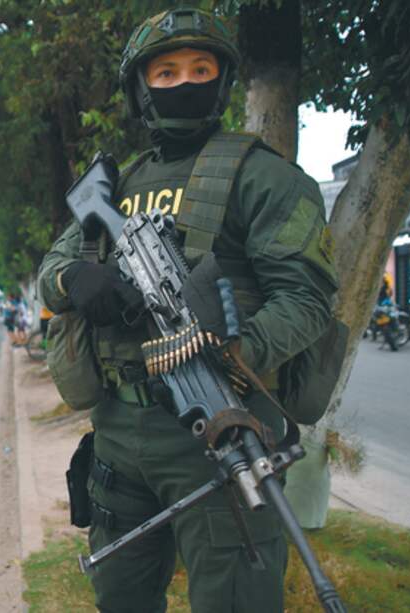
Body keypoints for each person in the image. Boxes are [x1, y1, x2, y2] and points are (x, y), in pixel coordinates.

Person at [37, 8, 339, 612]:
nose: (184, 82)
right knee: (120, 599)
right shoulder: (117, 185)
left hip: (226, 427)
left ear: (223, 81)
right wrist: (78, 278)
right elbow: (50, 273)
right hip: (121, 434)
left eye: (200, 69)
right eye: (166, 71)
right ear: (142, 89)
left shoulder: (264, 177)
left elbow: (306, 298)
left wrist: (234, 355)